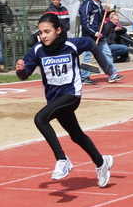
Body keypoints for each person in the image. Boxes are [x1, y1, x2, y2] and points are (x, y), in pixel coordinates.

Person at [16, 13, 115, 186]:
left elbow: (91, 43)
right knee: (76, 135)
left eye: (47, 31)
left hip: (71, 94)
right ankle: (101, 162)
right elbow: (24, 75)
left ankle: (62, 160)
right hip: (54, 99)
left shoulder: (71, 45)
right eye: (40, 33)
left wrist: (106, 67)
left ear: (58, 30)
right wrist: (20, 70)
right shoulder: (38, 50)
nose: (43, 36)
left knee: (40, 119)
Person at [78, 0, 123, 85]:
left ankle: (112, 74)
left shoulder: (98, 3)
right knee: (89, 56)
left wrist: (105, 12)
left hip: (101, 34)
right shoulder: (86, 6)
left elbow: (100, 18)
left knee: (107, 54)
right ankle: (84, 76)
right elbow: (85, 23)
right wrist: (94, 33)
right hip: (90, 36)